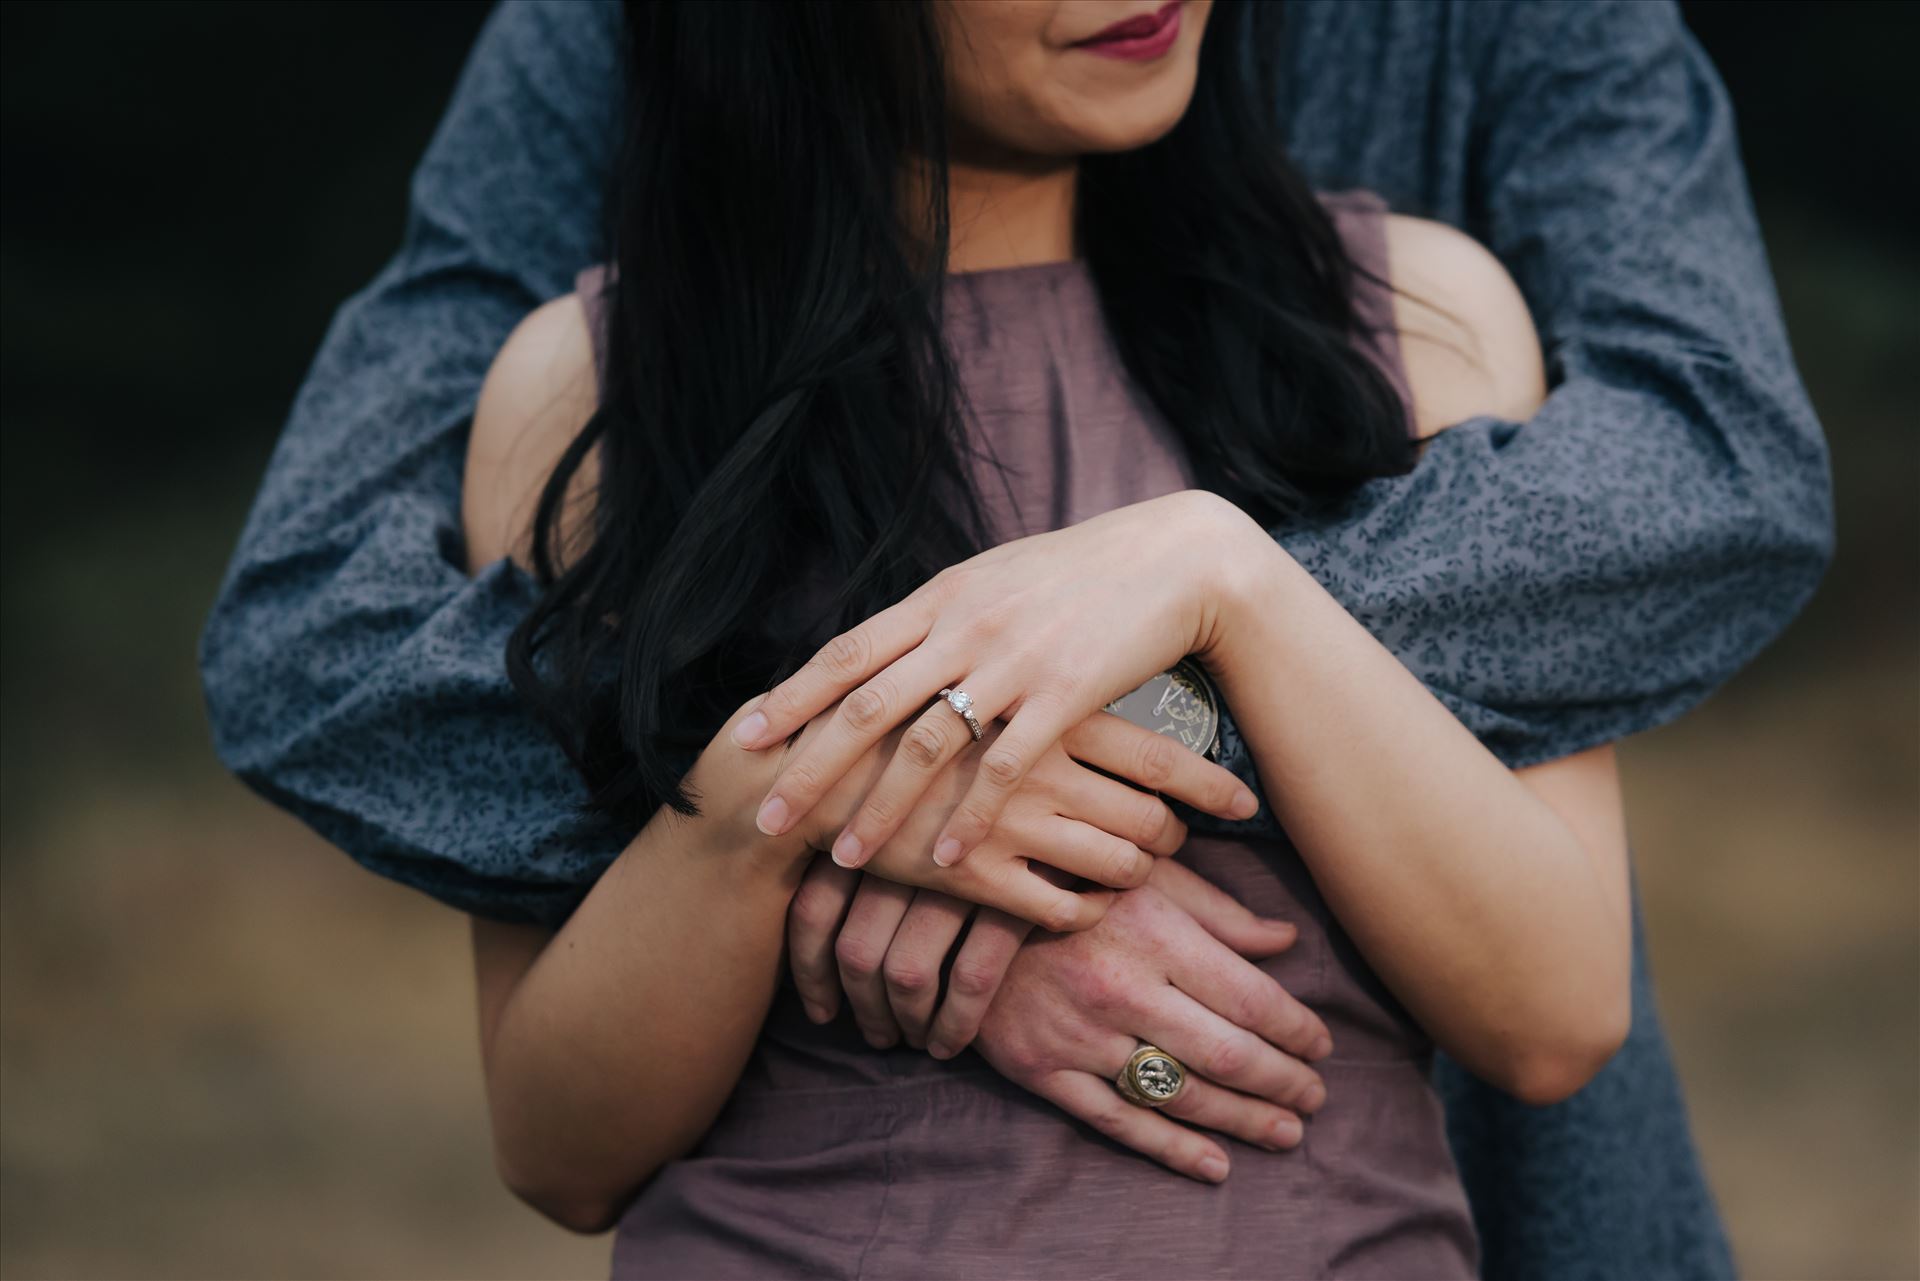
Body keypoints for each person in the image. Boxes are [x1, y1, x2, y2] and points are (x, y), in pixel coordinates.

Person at [200, 2, 1832, 1277]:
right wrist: (822, 805)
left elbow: (1558, 1000)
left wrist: (1227, 583)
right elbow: (558, 1147)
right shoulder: (589, 396)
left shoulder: (1425, 323)